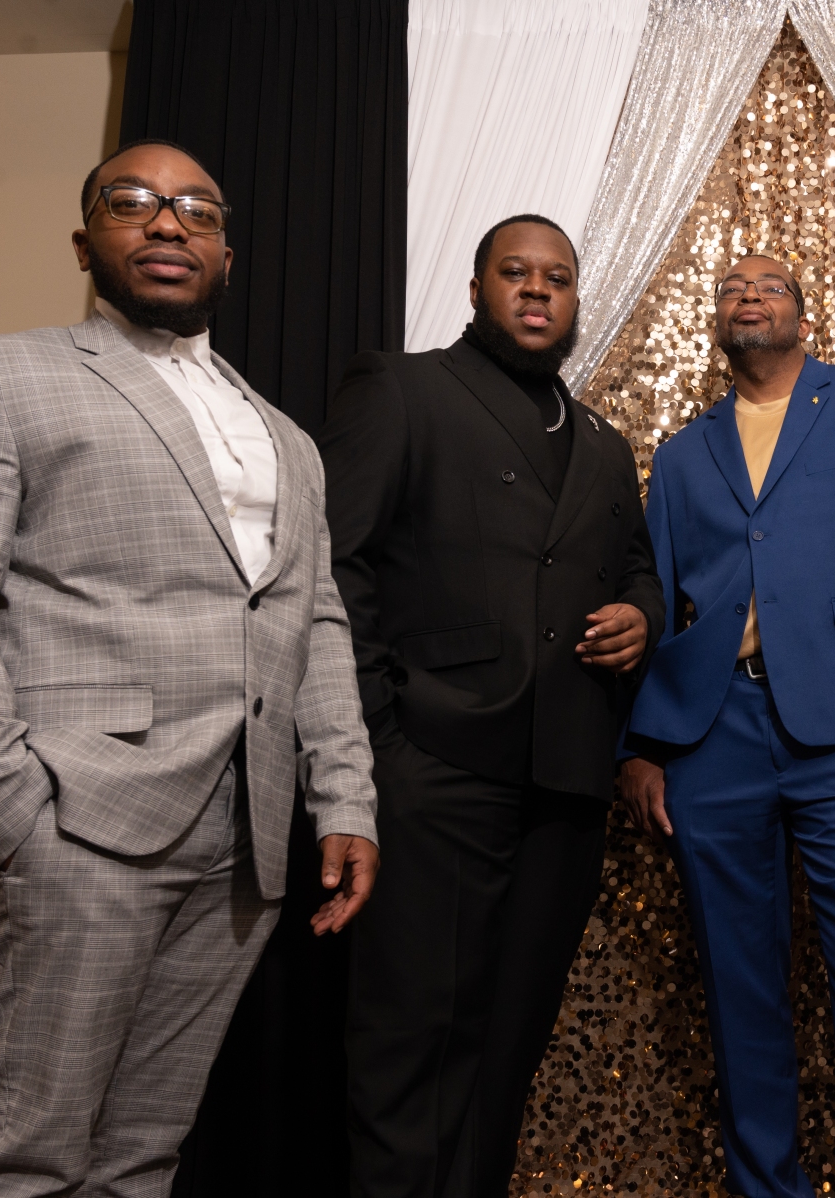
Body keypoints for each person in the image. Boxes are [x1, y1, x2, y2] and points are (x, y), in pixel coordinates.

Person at [0, 138, 380, 1197]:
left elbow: (316, 621)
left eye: (198, 209)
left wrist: (345, 798)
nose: (167, 221)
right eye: (133, 201)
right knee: (22, 1157)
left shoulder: (288, 439)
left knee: (140, 1159)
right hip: (75, 822)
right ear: (83, 241)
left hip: (245, 843)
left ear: (226, 255)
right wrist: (5, 806)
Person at [319, 214, 664, 1198]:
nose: (537, 289)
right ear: (477, 290)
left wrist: (642, 615)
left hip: (565, 782)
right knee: (412, 1043)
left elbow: (638, 568)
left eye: (558, 277)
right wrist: (378, 745)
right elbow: (334, 565)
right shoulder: (402, 389)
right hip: (435, 765)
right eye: (516, 272)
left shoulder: (603, 441)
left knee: (507, 1050)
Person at [617, 255, 835, 1198]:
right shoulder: (682, 455)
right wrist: (643, 745)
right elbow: (659, 603)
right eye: (732, 287)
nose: (749, 295)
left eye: (770, 285)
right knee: (740, 987)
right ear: (716, 321)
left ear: (803, 316)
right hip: (712, 735)